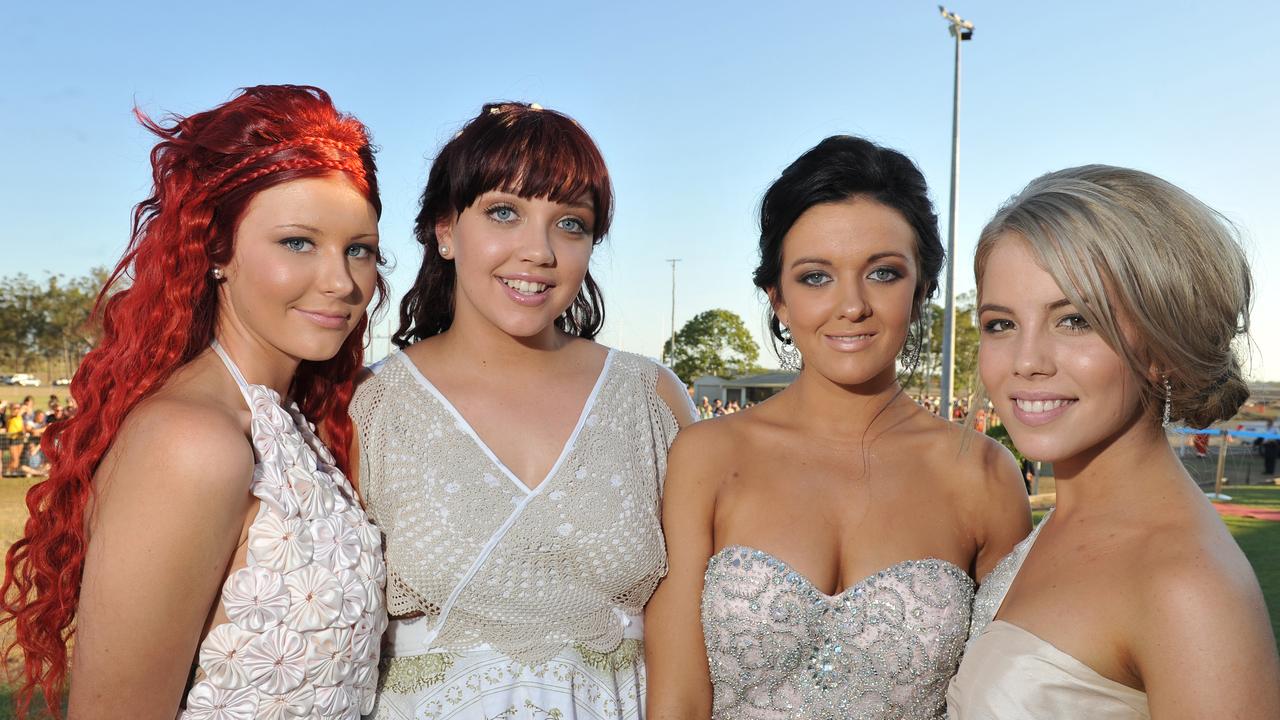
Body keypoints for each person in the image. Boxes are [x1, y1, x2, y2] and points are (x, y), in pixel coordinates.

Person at [0, 85, 388, 719]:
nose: (342, 282)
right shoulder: (191, 441)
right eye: (297, 242)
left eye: (359, 250)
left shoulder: (290, 422)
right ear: (215, 251)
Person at [645, 135, 1030, 719]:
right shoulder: (707, 456)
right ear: (777, 298)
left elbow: (1000, 701)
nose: (851, 306)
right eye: (816, 277)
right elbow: (676, 700)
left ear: (922, 288)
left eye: (883, 273)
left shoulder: (983, 474)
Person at [349, 101, 695, 719]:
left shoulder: (652, 398)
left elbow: (690, 633)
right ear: (446, 230)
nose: (538, 251)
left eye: (571, 224)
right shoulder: (370, 406)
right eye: (504, 213)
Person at [948, 165, 1280, 718]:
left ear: (1163, 345)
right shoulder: (1062, 524)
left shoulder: (1186, 587)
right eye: (1001, 324)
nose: (1025, 362)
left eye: (1074, 320)